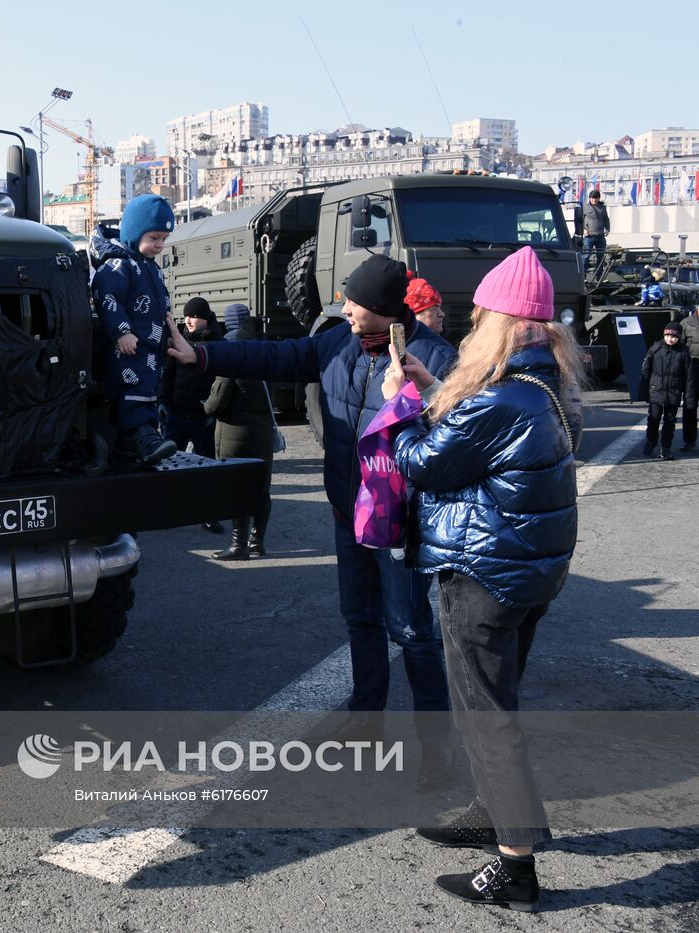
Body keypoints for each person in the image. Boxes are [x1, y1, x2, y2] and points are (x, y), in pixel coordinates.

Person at [168, 255, 458, 785]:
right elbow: (274, 357)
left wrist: (432, 391)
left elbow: (460, 434)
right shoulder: (336, 342)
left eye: (357, 303)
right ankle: (365, 720)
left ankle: (436, 748)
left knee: (413, 630)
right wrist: (202, 354)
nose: (346, 309)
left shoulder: (435, 357)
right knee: (360, 619)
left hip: (402, 521)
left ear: (387, 310)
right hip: (348, 511)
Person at [382, 246, 584, 911]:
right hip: (528, 572)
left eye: (482, 316)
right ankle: (488, 809)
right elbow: (478, 442)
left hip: (482, 575)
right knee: (497, 701)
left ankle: (515, 870)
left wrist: (403, 402)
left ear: (500, 321)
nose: (471, 327)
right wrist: (435, 391)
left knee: (486, 717)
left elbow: (421, 463)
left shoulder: (497, 398)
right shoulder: (546, 385)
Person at [92, 194, 178, 465]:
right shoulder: (119, 264)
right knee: (132, 390)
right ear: (134, 231)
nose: (160, 245)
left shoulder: (149, 266)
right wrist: (121, 331)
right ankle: (143, 437)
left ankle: (136, 443)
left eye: (164, 239)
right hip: (129, 347)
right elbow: (107, 298)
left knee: (148, 389)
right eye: (154, 237)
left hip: (150, 348)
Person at [204, 303, 276, 560]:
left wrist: (206, 406)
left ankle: (239, 545)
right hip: (263, 432)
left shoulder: (230, 353)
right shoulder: (267, 350)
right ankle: (258, 541)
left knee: (238, 490)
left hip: (235, 435)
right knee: (261, 489)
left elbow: (216, 403)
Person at [160, 296, 224, 532]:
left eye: (194, 316)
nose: (188, 320)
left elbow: (222, 381)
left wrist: (214, 412)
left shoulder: (218, 344)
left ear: (206, 319)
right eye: (186, 315)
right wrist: (162, 402)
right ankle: (167, 512)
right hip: (177, 415)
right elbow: (168, 376)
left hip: (202, 419)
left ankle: (209, 515)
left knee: (207, 469)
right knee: (167, 465)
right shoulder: (178, 341)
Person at [639, 322, 690, 460]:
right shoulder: (655, 349)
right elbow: (646, 370)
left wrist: (687, 395)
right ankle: (651, 441)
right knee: (653, 419)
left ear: (679, 337)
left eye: (673, 336)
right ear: (664, 335)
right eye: (668, 335)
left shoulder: (684, 352)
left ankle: (666, 447)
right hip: (656, 391)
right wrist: (643, 391)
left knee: (669, 421)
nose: (670, 339)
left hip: (673, 392)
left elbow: (687, 376)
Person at [680, 306, 699, 450]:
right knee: (689, 405)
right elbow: (678, 347)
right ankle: (689, 440)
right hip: (691, 369)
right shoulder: (686, 323)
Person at [581, 189, 609, 272]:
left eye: (596, 198)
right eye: (593, 198)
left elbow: (606, 219)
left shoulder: (603, 207)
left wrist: (607, 229)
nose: (594, 200)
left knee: (600, 257)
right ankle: (583, 277)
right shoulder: (585, 207)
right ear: (590, 198)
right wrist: (583, 230)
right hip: (588, 236)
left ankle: (599, 276)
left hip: (600, 236)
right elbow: (580, 220)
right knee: (586, 256)